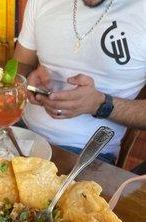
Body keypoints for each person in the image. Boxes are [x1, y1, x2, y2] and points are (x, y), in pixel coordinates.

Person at [14, 0, 146, 164]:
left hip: (86, 153)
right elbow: (19, 65)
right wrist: (27, 78)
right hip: (22, 133)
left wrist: (101, 105)